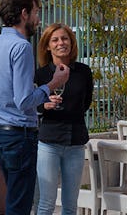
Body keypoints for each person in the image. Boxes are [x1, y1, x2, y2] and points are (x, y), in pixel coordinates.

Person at [0, 0, 69, 215]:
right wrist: (53, 84)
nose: (38, 19)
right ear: (24, 13)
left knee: (15, 198)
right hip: (18, 136)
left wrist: (3, 107)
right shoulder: (21, 47)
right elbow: (24, 100)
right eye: (36, 12)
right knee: (19, 205)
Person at [33, 24, 93, 215]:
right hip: (49, 142)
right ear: (47, 46)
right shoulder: (40, 74)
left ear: (72, 42)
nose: (61, 43)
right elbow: (31, 104)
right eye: (55, 40)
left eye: (65, 38)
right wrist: (44, 106)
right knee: (46, 203)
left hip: (76, 143)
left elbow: (86, 102)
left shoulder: (83, 72)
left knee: (70, 204)